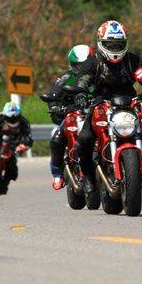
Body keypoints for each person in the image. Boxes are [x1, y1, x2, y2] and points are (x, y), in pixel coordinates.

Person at [74, 20, 142, 195]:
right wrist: (79, 94)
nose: (115, 47)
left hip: (128, 103)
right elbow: (82, 80)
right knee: (84, 140)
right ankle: (87, 176)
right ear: (101, 43)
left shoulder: (132, 60)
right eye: (111, 44)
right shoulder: (93, 62)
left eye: (119, 44)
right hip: (100, 103)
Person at [43, 44, 94, 190]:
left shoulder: (99, 75)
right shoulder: (66, 78)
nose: (82, 68)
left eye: (85, 65)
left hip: (95, 112)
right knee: (57, 138)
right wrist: (54, 107)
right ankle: (58, 175)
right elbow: (54, 95)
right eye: (78, 65)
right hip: (73, 113)